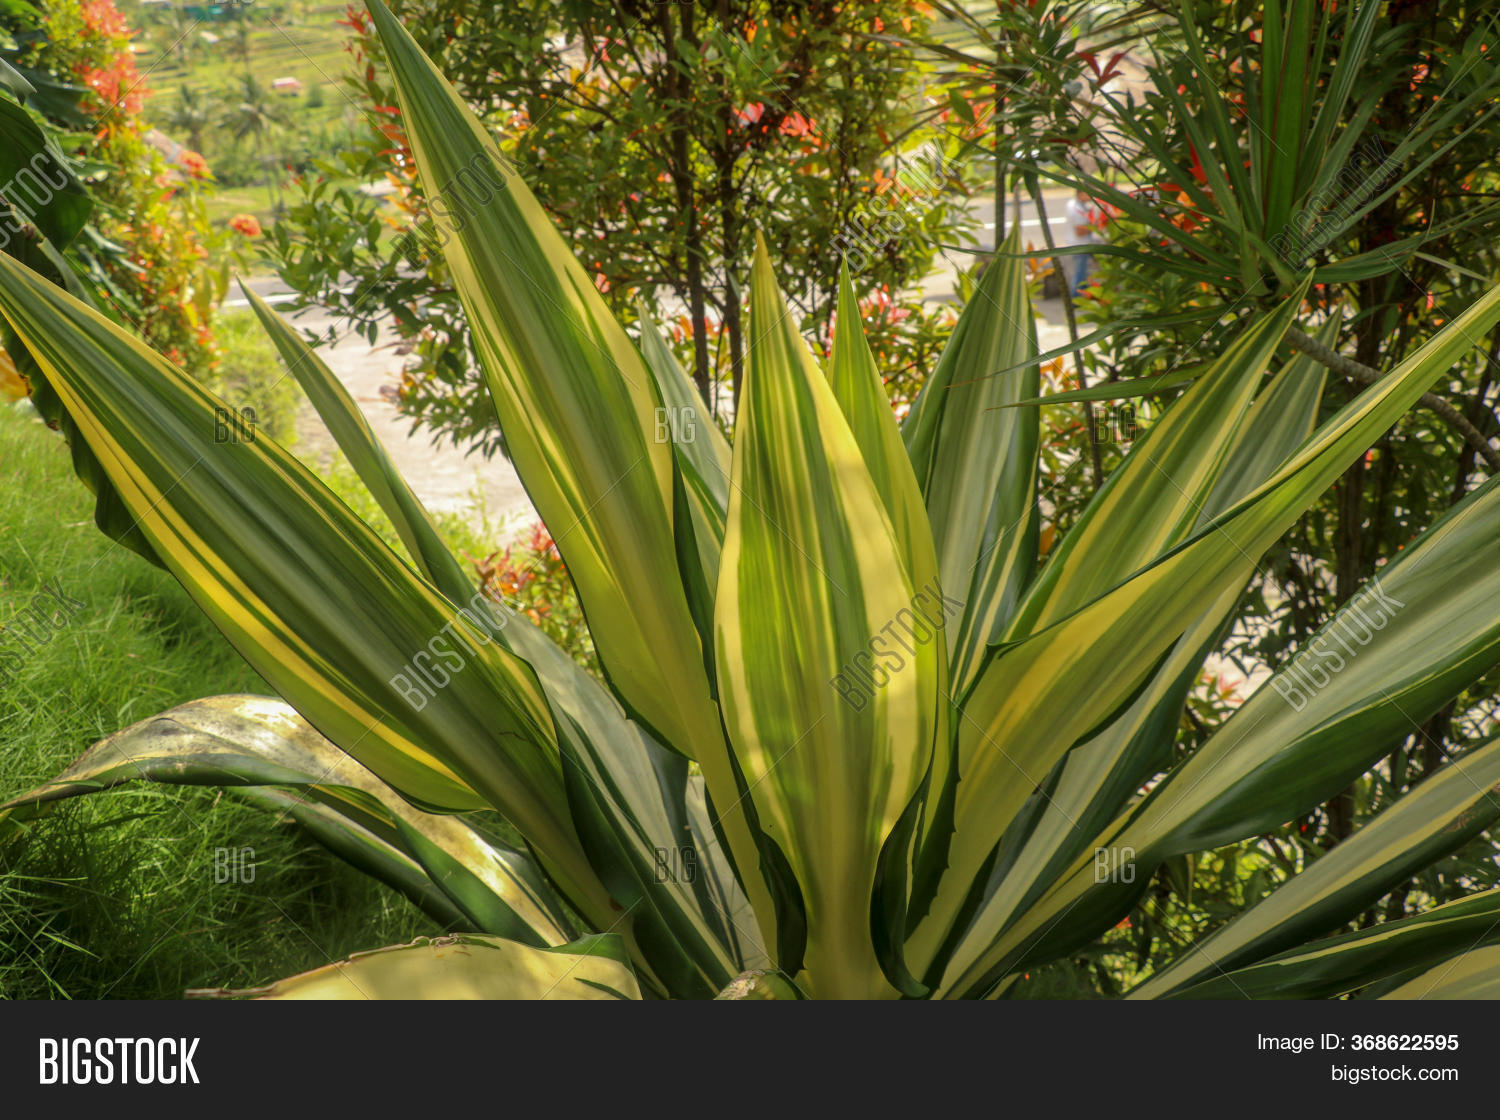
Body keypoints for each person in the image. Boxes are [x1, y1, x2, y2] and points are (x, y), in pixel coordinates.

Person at [1063, 188, 1104, 295]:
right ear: (1080, 194)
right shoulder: (1076, 208)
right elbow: (1080, 231)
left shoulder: (1074, 204)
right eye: (1087, 194)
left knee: (1082, 273)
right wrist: (1096, 225)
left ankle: (1083, 295)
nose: (1090, 197)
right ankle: (1076, 297)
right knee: (1080, 275)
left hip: (1078, 244)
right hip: (1080, 245)